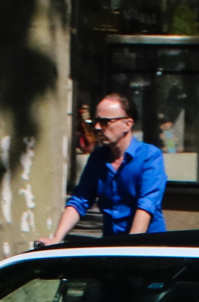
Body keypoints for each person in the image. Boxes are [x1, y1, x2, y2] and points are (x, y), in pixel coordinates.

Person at [40, 92, 167, 243]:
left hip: (147, 246)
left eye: (105, 122)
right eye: (96, 121)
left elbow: (146, 205)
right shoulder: (97, 158)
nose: (98, 127)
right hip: (111, 245)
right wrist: (56, 239)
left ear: (127, 124)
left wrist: (131, 248)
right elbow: (80, 200)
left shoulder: (150, 156)